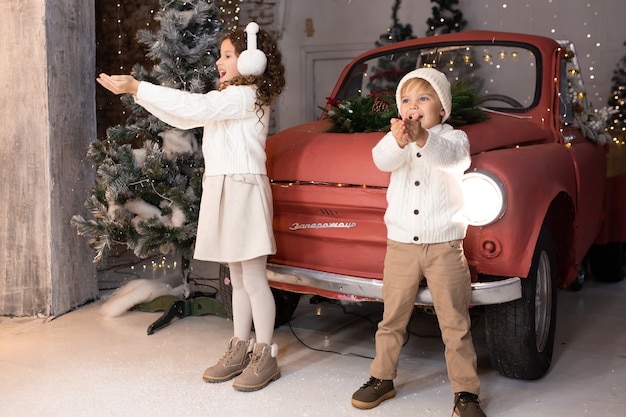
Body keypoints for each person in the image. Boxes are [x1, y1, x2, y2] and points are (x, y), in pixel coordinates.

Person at [96, 22, 286, 392]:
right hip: (224, 187)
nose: (219, 61)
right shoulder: (228, 96)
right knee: (236, 276)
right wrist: (140, 93)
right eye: (221, 54)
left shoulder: (248, 96)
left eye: (228, 55)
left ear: (251, 60)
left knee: (253, 277)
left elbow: (193, 107)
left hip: (243, 189)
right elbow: (186, 115)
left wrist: (138, 87)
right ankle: (241, 345)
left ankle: (266, 353)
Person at [350, 68, 486, 417]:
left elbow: (454, 161)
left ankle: (466, 391)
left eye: (423, 98)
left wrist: (422, 137)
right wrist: (399, 139)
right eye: (406, 100)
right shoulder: (397, 139)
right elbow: (381, 160)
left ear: (442, 108)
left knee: (455, 322)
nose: (413, 105)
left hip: (444, 246)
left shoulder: (453, 138)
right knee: (391, 317)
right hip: (401, 246)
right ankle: (382, 377)